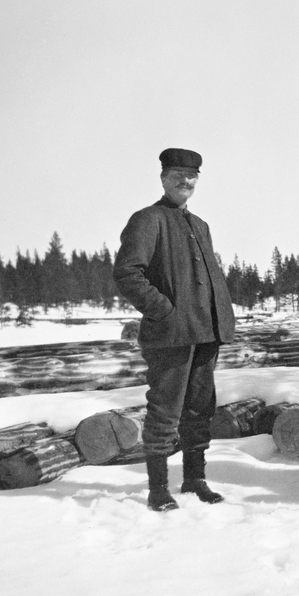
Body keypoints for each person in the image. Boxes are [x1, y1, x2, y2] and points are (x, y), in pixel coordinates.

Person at [114, 148, 236, 512]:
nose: (186, 181)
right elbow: (127, 274)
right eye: (178, 175)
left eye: (192, 176)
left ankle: (195, 479)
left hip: (205, 332)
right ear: (164, 177)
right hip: (170, 336)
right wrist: (164, 311)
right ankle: (158, 489)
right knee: (165, 411)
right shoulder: (148, 219)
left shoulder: (200, 225)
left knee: (200, 410)